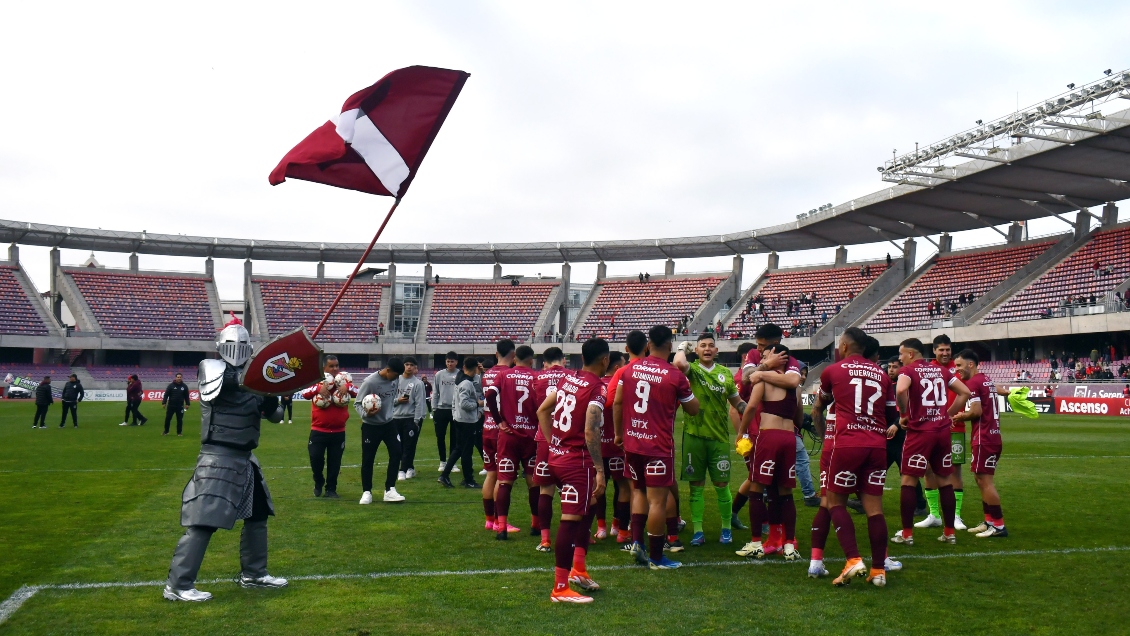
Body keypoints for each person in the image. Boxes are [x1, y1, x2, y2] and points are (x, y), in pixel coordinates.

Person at [164, 317, 286, 602]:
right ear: (221, 346)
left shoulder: (256, 378)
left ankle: (254, 573)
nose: (237, 349)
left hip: (246, 458)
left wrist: (273, 393)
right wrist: (266, 379)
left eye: (243, 344)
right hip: (218, 458)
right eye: (232, 343)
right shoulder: (212, 368)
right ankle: (178, 584)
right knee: (203, 521)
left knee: (258, 516)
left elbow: (276, 416)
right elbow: (230, 383)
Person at [809, 327, 896, 587]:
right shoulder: (882, 374)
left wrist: (825, 436)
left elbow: (818, 408)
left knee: (834, 501)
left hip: (846, 444)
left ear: (844, 346)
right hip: (877, 446)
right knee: (874, 510)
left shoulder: (833, 371)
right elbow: (892, 416)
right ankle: (879, 570)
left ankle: (853, 559)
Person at [614, 325, 700, 569]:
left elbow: (618, 403)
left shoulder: (627, 369)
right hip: (658, 447)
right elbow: (693, 409)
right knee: (657, 502)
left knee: (638, 492)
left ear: (648, 344)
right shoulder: (675, 376)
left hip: (632, 442)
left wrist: (620, 434)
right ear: (671, 346)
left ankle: (637, 544)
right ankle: (656, 556)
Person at [536, 337, 610, 603]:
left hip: (558, 457)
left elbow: (543, 409)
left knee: (587, 506)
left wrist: (553, 442)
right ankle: (559, 587)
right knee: (570, 519)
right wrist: (600, 469)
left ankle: (578, 569)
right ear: (604, 360)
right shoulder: (597, 388)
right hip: (577, 462)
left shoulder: (567, 379)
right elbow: (591, 429)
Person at [892, 338, 971, 546]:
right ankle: (949, 531)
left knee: (908, 480)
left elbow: (900, 390)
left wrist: (903, 414)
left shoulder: (907, 371)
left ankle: (907, 533)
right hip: (942, 431)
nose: (899, 358)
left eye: (901, 354)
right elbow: (965, 392)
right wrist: (948, 414)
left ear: (910, 354)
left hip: (920, 432)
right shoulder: (942, 372)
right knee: (945, 479)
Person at [673, 333, 746, 547]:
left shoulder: (725, 374)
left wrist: (751, 414)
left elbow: (737, 402)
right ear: (696, 351)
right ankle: (698, 531)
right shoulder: (693, 370)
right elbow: (678, 361)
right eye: (702, 345)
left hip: (719, 438)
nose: (707, 348)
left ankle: (725, 529)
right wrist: (682, 346)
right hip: (694, 437)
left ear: (716, 351)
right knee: (696, 485)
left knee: (722, 485)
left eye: (711, 346)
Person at [736, 344, 800, 561]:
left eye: (766, 355)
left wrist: (742, 432)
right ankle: (789, 544)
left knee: (756, 488)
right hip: (789, 437)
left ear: (777, 356)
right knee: (784, 492)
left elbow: (752, 406)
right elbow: (799, 412)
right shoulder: (793, 382)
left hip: (769, 436)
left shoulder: (763, 379)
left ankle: (755, 542)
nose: (762, 357)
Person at [952, 349, 1009, 538]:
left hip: (984, 437)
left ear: (970, 364)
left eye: (959, 365)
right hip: (991, 436)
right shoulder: (985, 379)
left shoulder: (974, 382)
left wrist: (961, 416)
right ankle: (989, 522)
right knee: (980, 479)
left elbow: (976, 412)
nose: (957, 369)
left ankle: (999, 526)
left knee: (985, 481)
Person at [917, 334, 968, 531]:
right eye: (941, 350)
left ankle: (955, 516)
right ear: (934, 351)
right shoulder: (926, 370)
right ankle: (934, 514)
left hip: (955, 427)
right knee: (928, 469)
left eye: (948, 350)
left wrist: (949, 415)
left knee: (954, 470)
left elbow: (969, 391)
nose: (945, 353)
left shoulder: (958, 370)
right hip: (930, 429)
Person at [489, 345, 540, 540]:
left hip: (508, 436)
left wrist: (498, 421)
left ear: (514, 358)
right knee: (533, 483)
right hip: (531, 436)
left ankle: (501, 528)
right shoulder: (536, 377)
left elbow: (489, 396)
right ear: (531, 360)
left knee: (504, 482)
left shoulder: (503, 375)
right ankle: (536, 525)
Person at [531, 347, 571, 551]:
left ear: (545, 362)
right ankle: (579, 536)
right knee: (573, 488)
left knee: (545, 489)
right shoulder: (573, 377)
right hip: (569, 438)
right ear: (564, 360)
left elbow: (535, 409)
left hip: (545, 439)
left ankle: (545, 539)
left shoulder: (537, 378)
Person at [300, 356, 357, 498]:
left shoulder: (344, 382)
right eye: (331, 366)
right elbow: (304, 393)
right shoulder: (317, 381)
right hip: (318, 430)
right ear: (324, 368)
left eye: (337, 365)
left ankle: (331, 489)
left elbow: (358, 392)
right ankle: (318, 480)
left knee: (335, 462)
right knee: (315, 458)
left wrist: (348, 387)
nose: (335, 369)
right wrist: (319, 388)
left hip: (338, 431)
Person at [354, 357, 407, 504]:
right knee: (368, 459)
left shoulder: (394, 380)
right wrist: (366, 413)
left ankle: (390, 489)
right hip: (370, 426)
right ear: (388, 370)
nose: (396, 379)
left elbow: (389, 400)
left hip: (389, 424)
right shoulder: (370, 382)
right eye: (395, 375)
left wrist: (394, 404)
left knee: (397, 452)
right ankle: (366, 492)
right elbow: (357, 404)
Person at [481, 340, 517, 533]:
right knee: (501, 477)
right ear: (514, 355)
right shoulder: (508, 374)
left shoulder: (487, 374)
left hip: (486, 427)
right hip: (500, 431)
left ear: (496, 354)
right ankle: (498, 520)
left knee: (490, 474)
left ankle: (488, 519)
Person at [596, 350, 630, 543]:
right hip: (617, 445)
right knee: (622, 486)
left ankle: (601, 527)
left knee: (598, 487)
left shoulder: (596, 385)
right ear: (617, 367)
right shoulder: (619, 387)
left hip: (598, 446)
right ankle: (617, 526)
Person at [439, 356, 482, 488]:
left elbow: (455, 401)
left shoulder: (459, 379)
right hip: (467, 421)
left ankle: (449, 476)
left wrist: (454, 413)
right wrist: (478, 404)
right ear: (475, 368)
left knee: (459, 449)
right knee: (466, 451)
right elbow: (464, 404)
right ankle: (467, 480)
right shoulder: (467, 383)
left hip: (459, 418)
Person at [393, 357, 428, 480]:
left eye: (411, 365)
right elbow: (388, 400)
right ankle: (410, 467)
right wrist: (398, 400)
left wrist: (417, 420)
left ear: (415, 367)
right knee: (399, 445)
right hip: (396, 417)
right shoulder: (395, 381)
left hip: (410, 418)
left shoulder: (418, 384)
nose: (409, 367)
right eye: (406, 364)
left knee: (409, 445)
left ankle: (402, 470)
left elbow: (419, 403)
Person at [433, 352, 460, 473]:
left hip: (455, 410)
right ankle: (442, 461)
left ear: (456, 362)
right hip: (441, 409)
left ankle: (452, 463)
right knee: (440, 437)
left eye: (452, 361)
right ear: (445, 362)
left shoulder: (460, 374)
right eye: (448, 361)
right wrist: (434, 409)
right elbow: (435, 392)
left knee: (454, 438)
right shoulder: (439, 374)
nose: (450, 364)